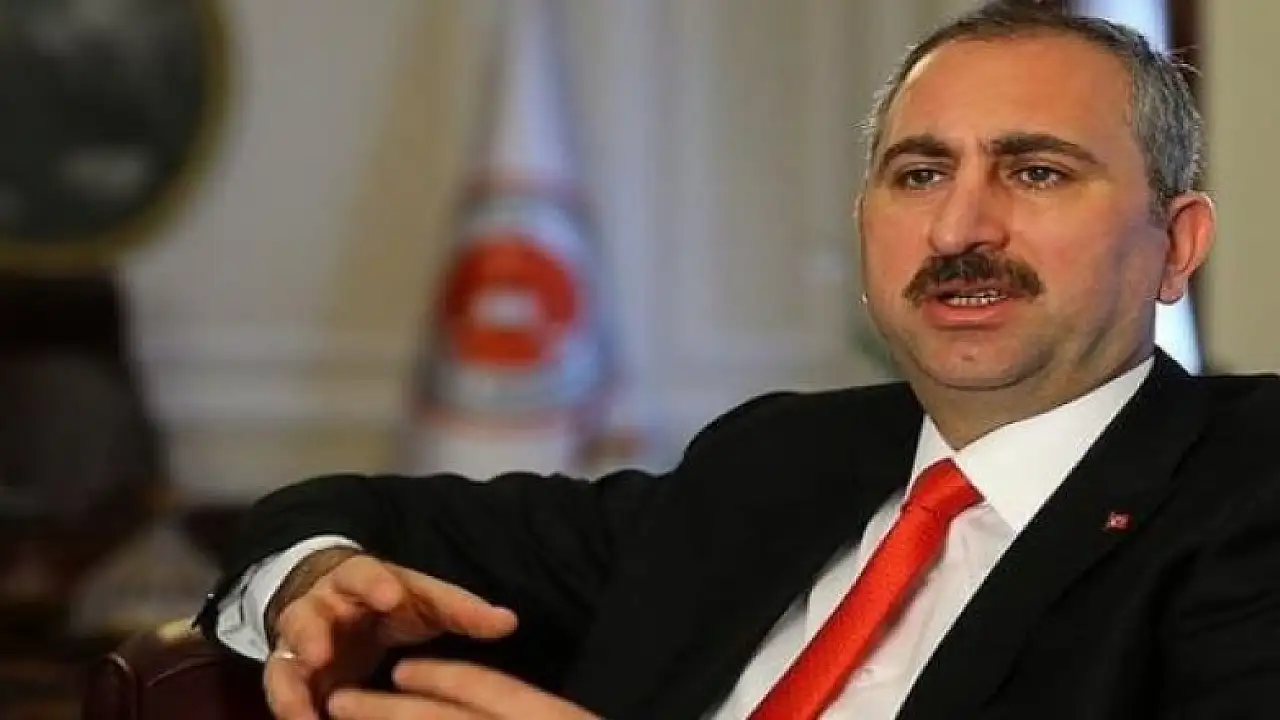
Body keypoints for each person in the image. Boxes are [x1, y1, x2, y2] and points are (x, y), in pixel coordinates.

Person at [197, 2, 1280, 718]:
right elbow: (345, 513)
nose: (958, 229)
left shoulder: (1248, 488)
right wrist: (313, 582)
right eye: (917, 175)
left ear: (1175, 245)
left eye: (1035, 173)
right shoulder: (777, 461)